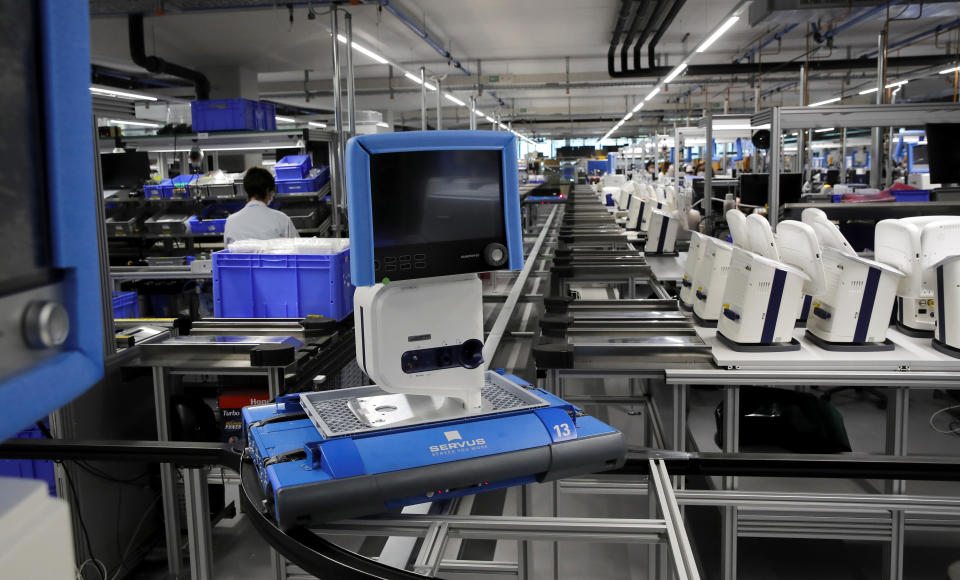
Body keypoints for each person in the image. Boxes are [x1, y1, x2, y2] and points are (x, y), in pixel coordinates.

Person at [224, 167, 299, 245]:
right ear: (268, 191)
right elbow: (298, 250)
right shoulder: (282, 219)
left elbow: (227, 253)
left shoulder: (230, 222)